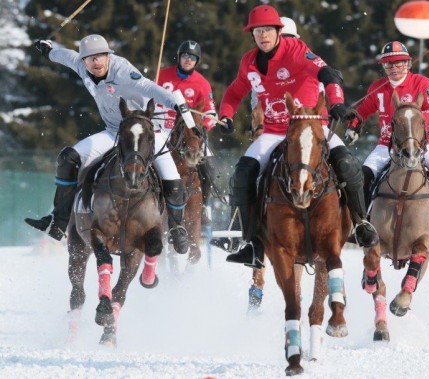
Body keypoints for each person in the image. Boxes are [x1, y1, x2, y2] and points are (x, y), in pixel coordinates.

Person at [217, 4, 379, 269]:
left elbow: (328, 73)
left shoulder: (296, 50)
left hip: (311, 126)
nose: (263, 36)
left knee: (348, 165)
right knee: (243, 173)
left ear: (279, 31)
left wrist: (336, 102)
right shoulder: (248, 61)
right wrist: (226, 115)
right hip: (273, 131)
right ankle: (251, 242)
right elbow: (235, 92)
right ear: (252, 34)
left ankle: (361, 224)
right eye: (257, 31)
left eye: (268, 30)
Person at [25, 34, 191, 254]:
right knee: (68, 158)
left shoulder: (122, 70)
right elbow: (67, 56)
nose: (96, 62)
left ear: (108, 56)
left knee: (172, 176)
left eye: (101, 56)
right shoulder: (81, 65)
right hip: (114, 132)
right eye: (91, 59)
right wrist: (48, 49)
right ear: (84, 61)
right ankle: (58, 222)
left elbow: (147, 86)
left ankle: (178, 227)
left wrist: (175, 104)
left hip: (142, 131)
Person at [344, 41, 429, 245]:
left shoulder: (422, 83)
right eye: (389, 64)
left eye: (399, 63)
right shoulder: (378, 87)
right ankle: (361, 224)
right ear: (383, 67)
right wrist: (354, 124)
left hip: (419, 145)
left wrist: (415, 115)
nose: (394, 68)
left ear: (408, 63)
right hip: (386, 145)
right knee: (363, 177)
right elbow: (363, 110)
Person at [156, 40, 219, 226]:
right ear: (179, 57)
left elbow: (210, 112)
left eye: (192, 58)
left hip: (189, 134)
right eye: (185, 56)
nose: (188, 60)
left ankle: (204, 208)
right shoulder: (162, 76)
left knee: (209, 168)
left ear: (197, 61)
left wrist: (201, 129)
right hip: (161, 129)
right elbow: (147, 98)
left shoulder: (202, 83)